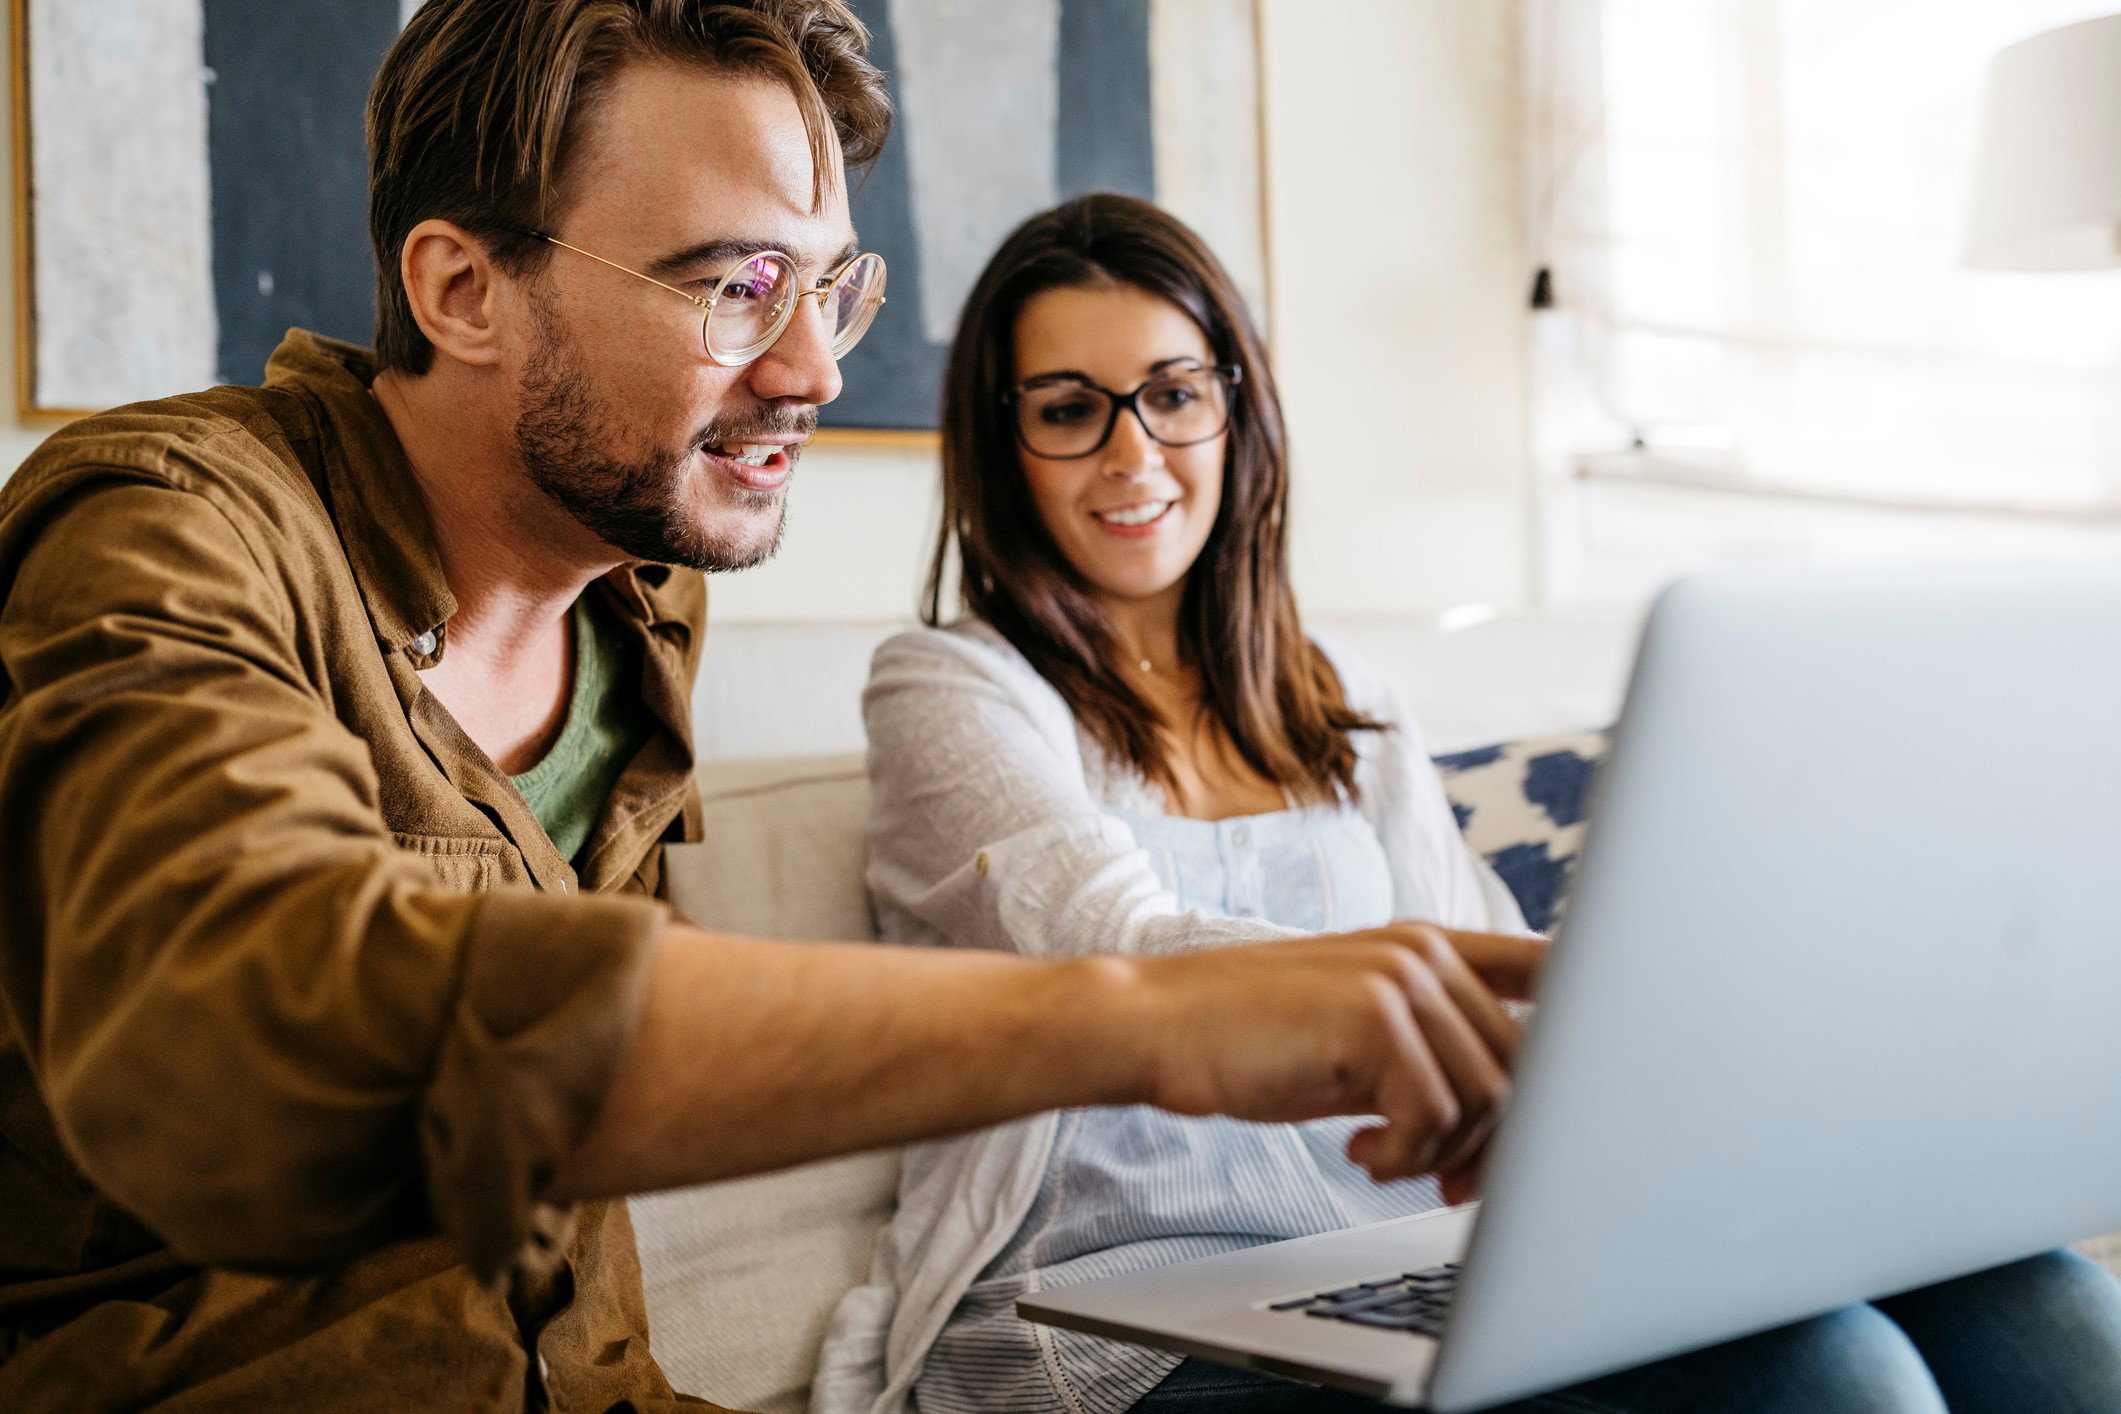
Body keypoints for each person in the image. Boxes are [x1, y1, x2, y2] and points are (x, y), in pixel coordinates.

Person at [0, 4, 1548, 1410]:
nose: (814, 369)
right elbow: (254, 1023)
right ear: (462, 288)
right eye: (735, 285)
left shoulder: (642, 599)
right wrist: (1137, 1020)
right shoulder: (166, 530)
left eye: (830, 287)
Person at [815, 193, 2121, 1414]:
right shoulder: (947, 686)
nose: (1131, 451)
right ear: (1002, 445)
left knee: (2039, 1299)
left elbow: (1495, 980)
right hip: (1109, 1319)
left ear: (1235, 407)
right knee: (1829, 1374)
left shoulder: (1343, 705)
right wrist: (1424, 998)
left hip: (1395, 1264)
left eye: (1171, 394)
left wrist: (1716, 1023)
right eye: (1067, 409)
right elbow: (1120, 951)